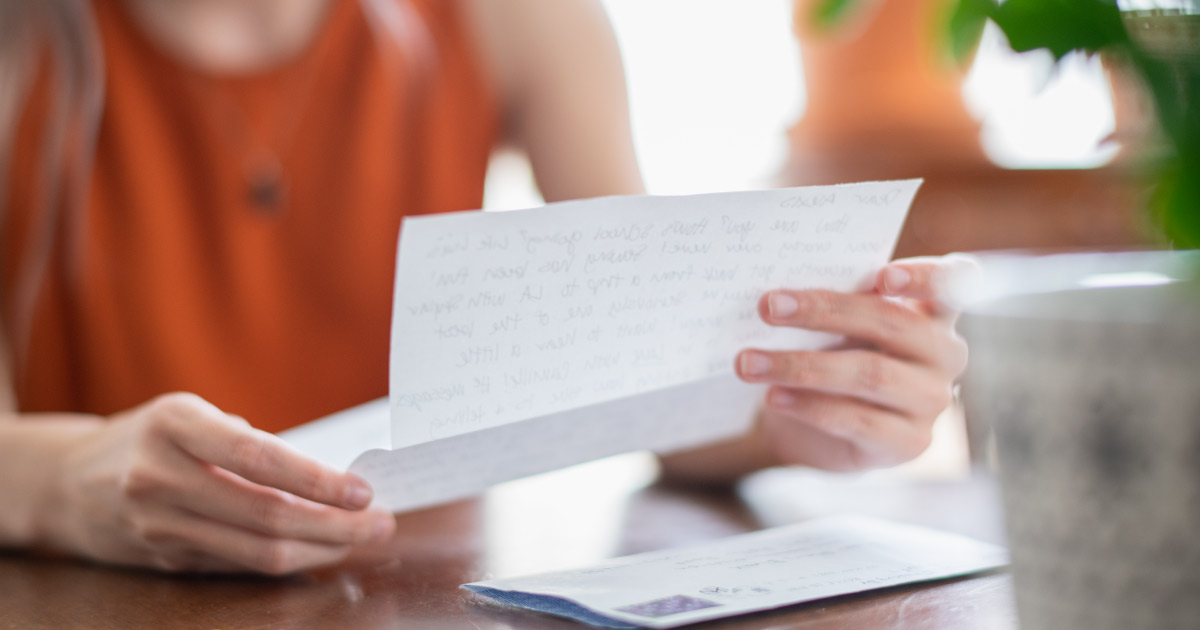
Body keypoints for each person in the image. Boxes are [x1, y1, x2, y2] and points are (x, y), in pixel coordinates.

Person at [0, 0, 969, 575]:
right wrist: (61, 484)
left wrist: (792, 415)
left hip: (412, 596)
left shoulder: (514, 18)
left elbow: (648, 380)